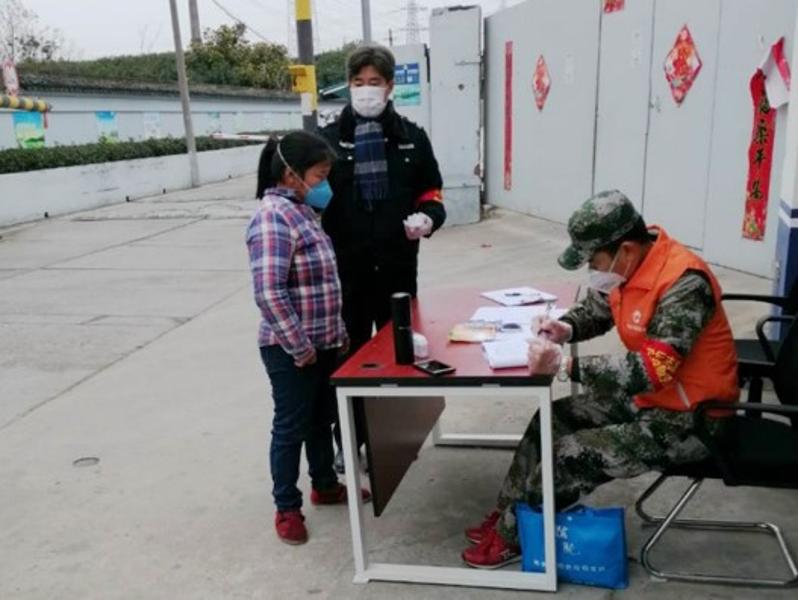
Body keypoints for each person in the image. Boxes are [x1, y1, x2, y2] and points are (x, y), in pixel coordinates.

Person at [461, 190, 739, 569]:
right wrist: (564, 327)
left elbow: (653, 369)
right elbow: (596, 309)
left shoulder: (684, 284)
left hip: (691, 423)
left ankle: (516, 535)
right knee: (551, 420)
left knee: (568, 455)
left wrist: (563, 366)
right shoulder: (628, 268)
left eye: (594, 261)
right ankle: (509, 511)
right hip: (652, 404)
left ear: (625, 250)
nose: (592, 270)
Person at [320, 44, 447, 472]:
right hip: (346, 273)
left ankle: (392, 442)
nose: (366, 90)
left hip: (397, 269)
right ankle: (349, 441)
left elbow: (432, 192)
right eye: (358, 82)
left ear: (390, 86)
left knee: (400, 352)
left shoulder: (412, 138)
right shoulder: (328, 141)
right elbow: (311, 196)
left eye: (374, 82)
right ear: (348, 86)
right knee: (349, 358)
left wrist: (428, 218)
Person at [247, 131, 370, 546]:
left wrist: (338, 334)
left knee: (321, 419)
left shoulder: (302, 212)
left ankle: (325, 485)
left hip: (323, 343)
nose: (325, 184)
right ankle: (287, 507)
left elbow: (322, 283)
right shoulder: (273, 218)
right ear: (291, 175)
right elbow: (269, 292)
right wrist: (299, 347)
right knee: (291, 427)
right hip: (289, 350)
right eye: (319, 175)